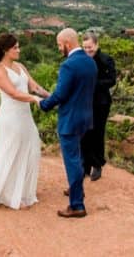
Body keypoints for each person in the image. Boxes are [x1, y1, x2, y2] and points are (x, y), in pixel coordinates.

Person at [0, 33, 50, 210]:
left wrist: (50, 96)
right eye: (15, 48)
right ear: (6, 50)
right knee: (11, 152)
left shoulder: (20, 66)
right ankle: (8, 194)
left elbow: (34, 86)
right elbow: (13, 93)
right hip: (11, 118)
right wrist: (36, 100)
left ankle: (23, 191)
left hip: (25, 117)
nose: (19, 50)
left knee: (31, 149)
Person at [39, 28, 97, 218]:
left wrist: (43, 104)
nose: (58, 48)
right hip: (86, 117)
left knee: (71, 161)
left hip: (70, 120)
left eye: (59, 44)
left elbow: (61, 94)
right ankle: (77, 191)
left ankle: (77, 205)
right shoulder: (90, 62)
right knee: (78, 157)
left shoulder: (68, 65)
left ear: (67, 43)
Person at [81, 30, 116, 181]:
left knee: (97, 133)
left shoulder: (106, 59)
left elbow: (111, 80)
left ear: (96, 44)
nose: (88, 50)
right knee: (84, 134)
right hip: (85, 102)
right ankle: (85, 166)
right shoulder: (82, 59)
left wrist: (94, 84)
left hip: (101, 102)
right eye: (85, 47)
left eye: (90, 47)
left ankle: (97, 165)